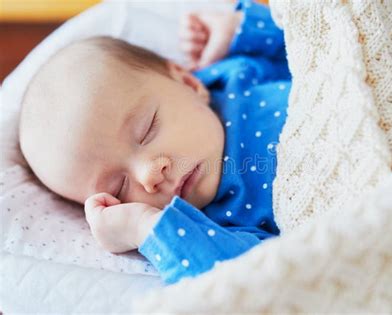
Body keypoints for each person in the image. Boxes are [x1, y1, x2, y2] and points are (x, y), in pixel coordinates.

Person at [19, 0, 291, 284]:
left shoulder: (235, 75)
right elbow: (247, 281)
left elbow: (308, 44)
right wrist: (146, 227)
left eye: (147, 131)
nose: (150, 175)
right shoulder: (213, 226)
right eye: (120, 188)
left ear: (188, 84)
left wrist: (239, 29)